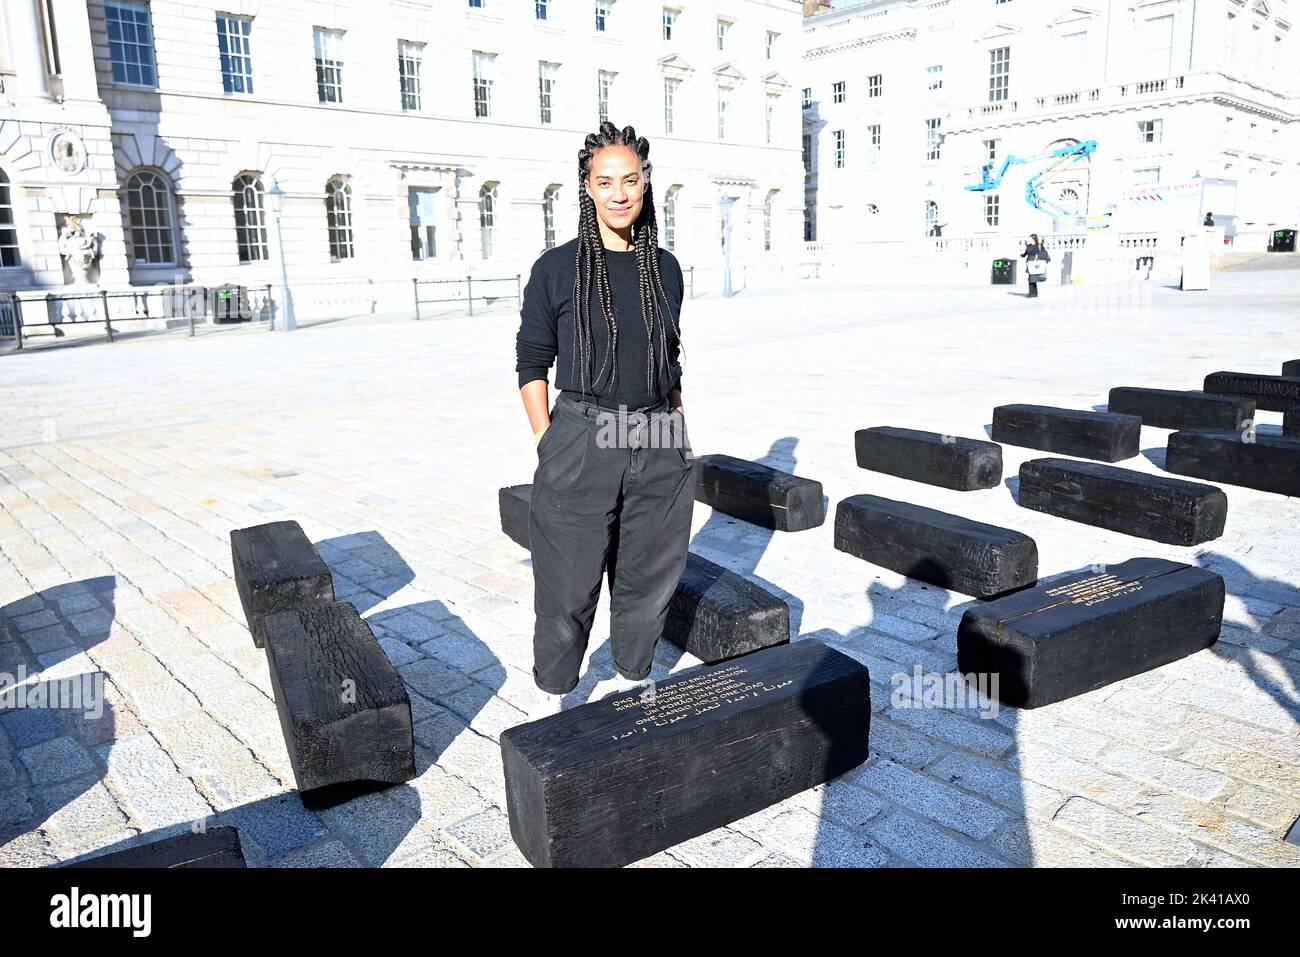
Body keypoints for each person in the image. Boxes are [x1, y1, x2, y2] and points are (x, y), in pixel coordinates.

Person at [514, 122, 692, 697]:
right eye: (605, 181)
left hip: (659, 436)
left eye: (630, 180)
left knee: (649, 578)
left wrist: (678, 428)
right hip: (584, 435)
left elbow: (670, 355)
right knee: (569, 585)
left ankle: (631, 680)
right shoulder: (558, 269)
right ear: (587, 189)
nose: (619, 193)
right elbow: (531, 361)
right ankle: (557, 693)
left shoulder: (664, 268)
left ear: (645, 185)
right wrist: (548, 440)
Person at [1021, 233, 1050, 298]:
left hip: (1035, 264)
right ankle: (1034, 293)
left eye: (1030, 238)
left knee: (1032, 279)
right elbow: (1025, 253)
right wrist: (1022, 255)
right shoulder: (1028, 246)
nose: (1029, 240)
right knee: (1032, 278)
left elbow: (1044, 253)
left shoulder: (1039, 246)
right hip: (1030, 264)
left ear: (1034, 239)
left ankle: (1032, 293)